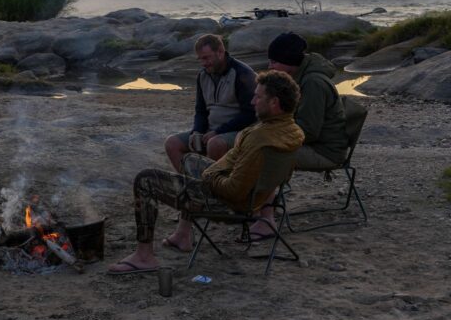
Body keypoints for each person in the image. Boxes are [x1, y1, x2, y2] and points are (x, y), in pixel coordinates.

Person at [108, 70, 305, 274]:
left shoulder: (259, 138)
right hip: (252, 198)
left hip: (231, 206)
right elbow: (237, 166)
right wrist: (215, 171)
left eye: (258, 97)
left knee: (145, 179)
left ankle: (144, 256)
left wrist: (210, 177)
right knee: (191, 160)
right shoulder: (293, 132)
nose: (253, 101)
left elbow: (233, 190)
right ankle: (183, 234)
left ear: (274, 102)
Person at [163, 33, 257, 171]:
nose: (203, 63)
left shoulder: (242, 73)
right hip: (211, 131)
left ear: (220, 52)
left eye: (206, 58)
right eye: (200, 59)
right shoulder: (203, 75)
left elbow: (250, 114)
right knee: (172, 143)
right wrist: (197, 131)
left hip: (239, 132)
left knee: (215, 144)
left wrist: (218, 132)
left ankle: (215, 182)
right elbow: (201, 111)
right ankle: (191, 181)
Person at [265, 32, 347, 170]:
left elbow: (308, 131)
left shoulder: (313, 83)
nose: (269, 67)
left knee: (259, 152)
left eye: (274, 62)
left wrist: (272, 133)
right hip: (313, 145)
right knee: (253, 144)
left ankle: (263, 185)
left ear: (289, 61)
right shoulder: (299, 78)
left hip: (324, 152)